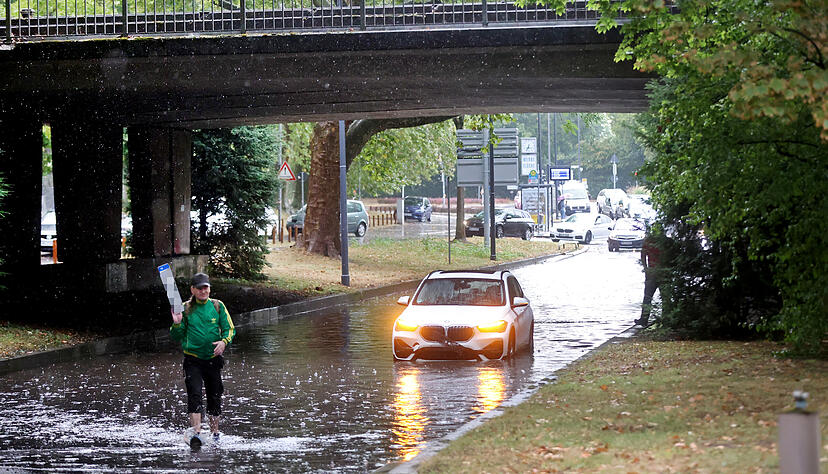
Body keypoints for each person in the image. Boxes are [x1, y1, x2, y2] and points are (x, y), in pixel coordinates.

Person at [170, 272, 235, 449]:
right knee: (195, 395)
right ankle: (196, 435)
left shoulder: (217, 306)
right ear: (192, 290)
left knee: (215, 396)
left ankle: (215, 434)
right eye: (199, 288)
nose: (203, 291)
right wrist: (176, 323)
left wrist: (224, 342)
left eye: (205, 287)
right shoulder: (184, 308)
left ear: (209, 289)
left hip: (213, 360)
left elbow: (230, 329)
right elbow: (176, 335)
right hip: (193, 360)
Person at [636, 232, 661, 326]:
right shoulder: (665, 241)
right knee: (664, 297)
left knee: (647, 297)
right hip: (659, 272)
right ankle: (667, 318)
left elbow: (642, 256)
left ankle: (644, 319)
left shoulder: (648, 241)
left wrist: (646, 268)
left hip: (652, 272)